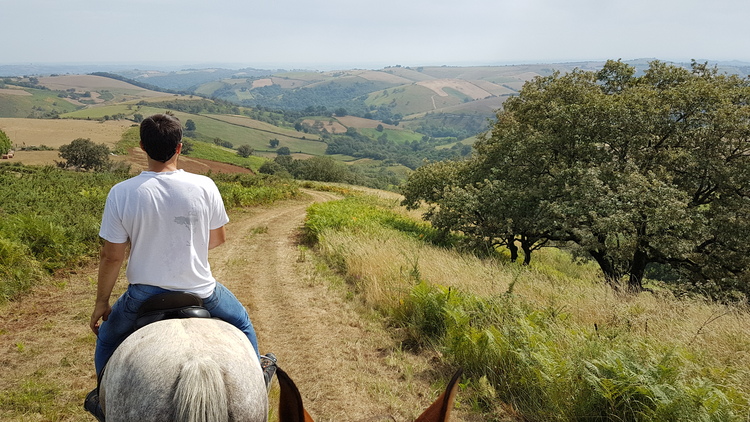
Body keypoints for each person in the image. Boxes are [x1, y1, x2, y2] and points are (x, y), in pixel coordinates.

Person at [84, 113, 275, 421]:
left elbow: (112, 256)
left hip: (143, 294)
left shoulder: (122, 192)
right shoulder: (205, 185)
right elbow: (218, 240)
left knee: (107, 339)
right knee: (243, 324)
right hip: (202, 290)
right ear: (179, 147)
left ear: (143, 147)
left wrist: (101, 302)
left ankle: (100, 400)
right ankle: (259, 376)